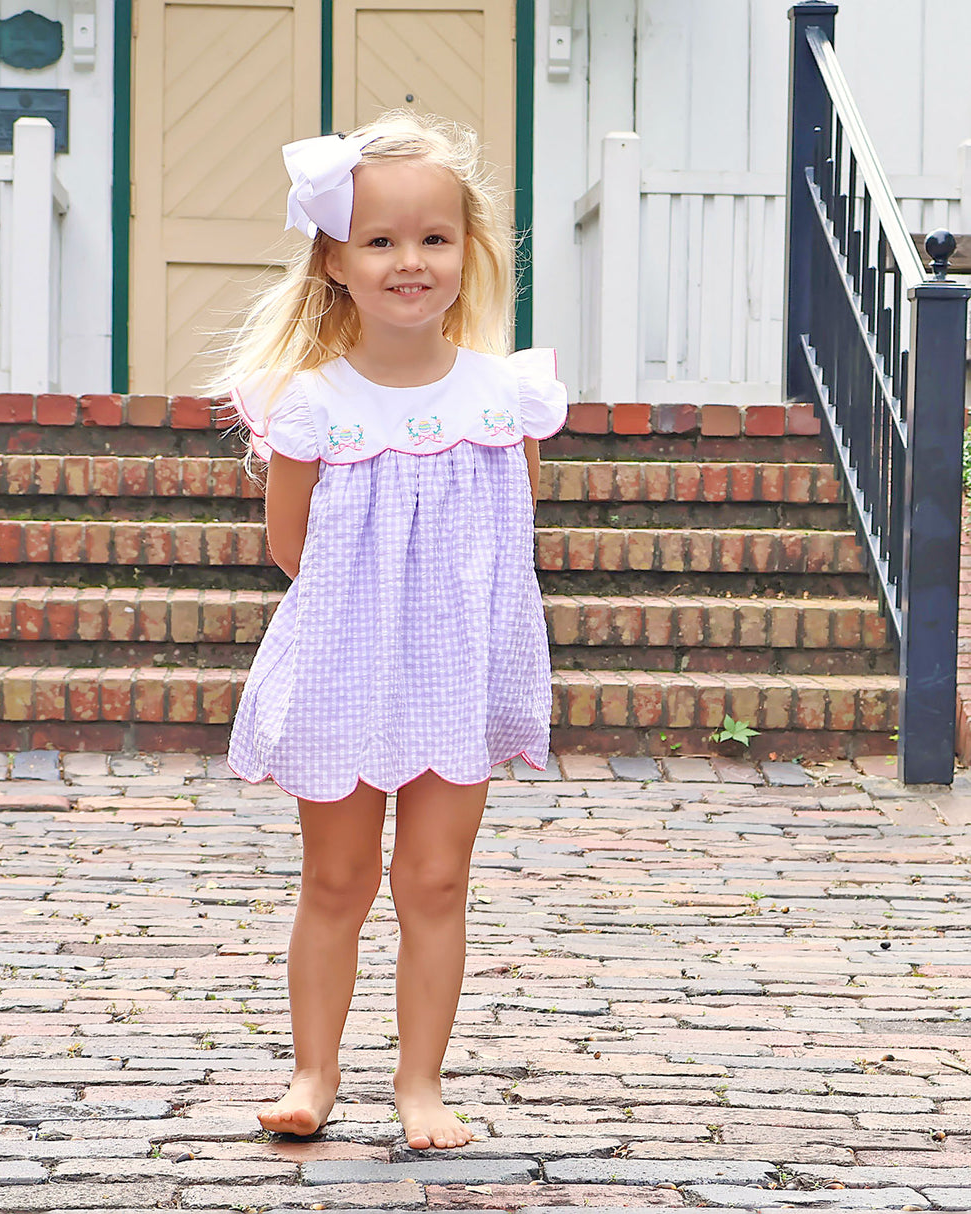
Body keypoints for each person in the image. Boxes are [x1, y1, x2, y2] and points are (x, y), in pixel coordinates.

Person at [205, 110, 568, 1151]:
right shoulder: (310, 404)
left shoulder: (506, 397)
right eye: (379, 239)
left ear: (470, 248)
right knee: (336, 877)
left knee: (435, 878)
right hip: (345, 666)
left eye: (433, 238)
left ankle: (420, 1083)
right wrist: (375, 612)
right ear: (334, 259)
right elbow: (292, 550)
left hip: (457, 669)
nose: (409, 260)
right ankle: (312, 1072)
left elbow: (506, 545)